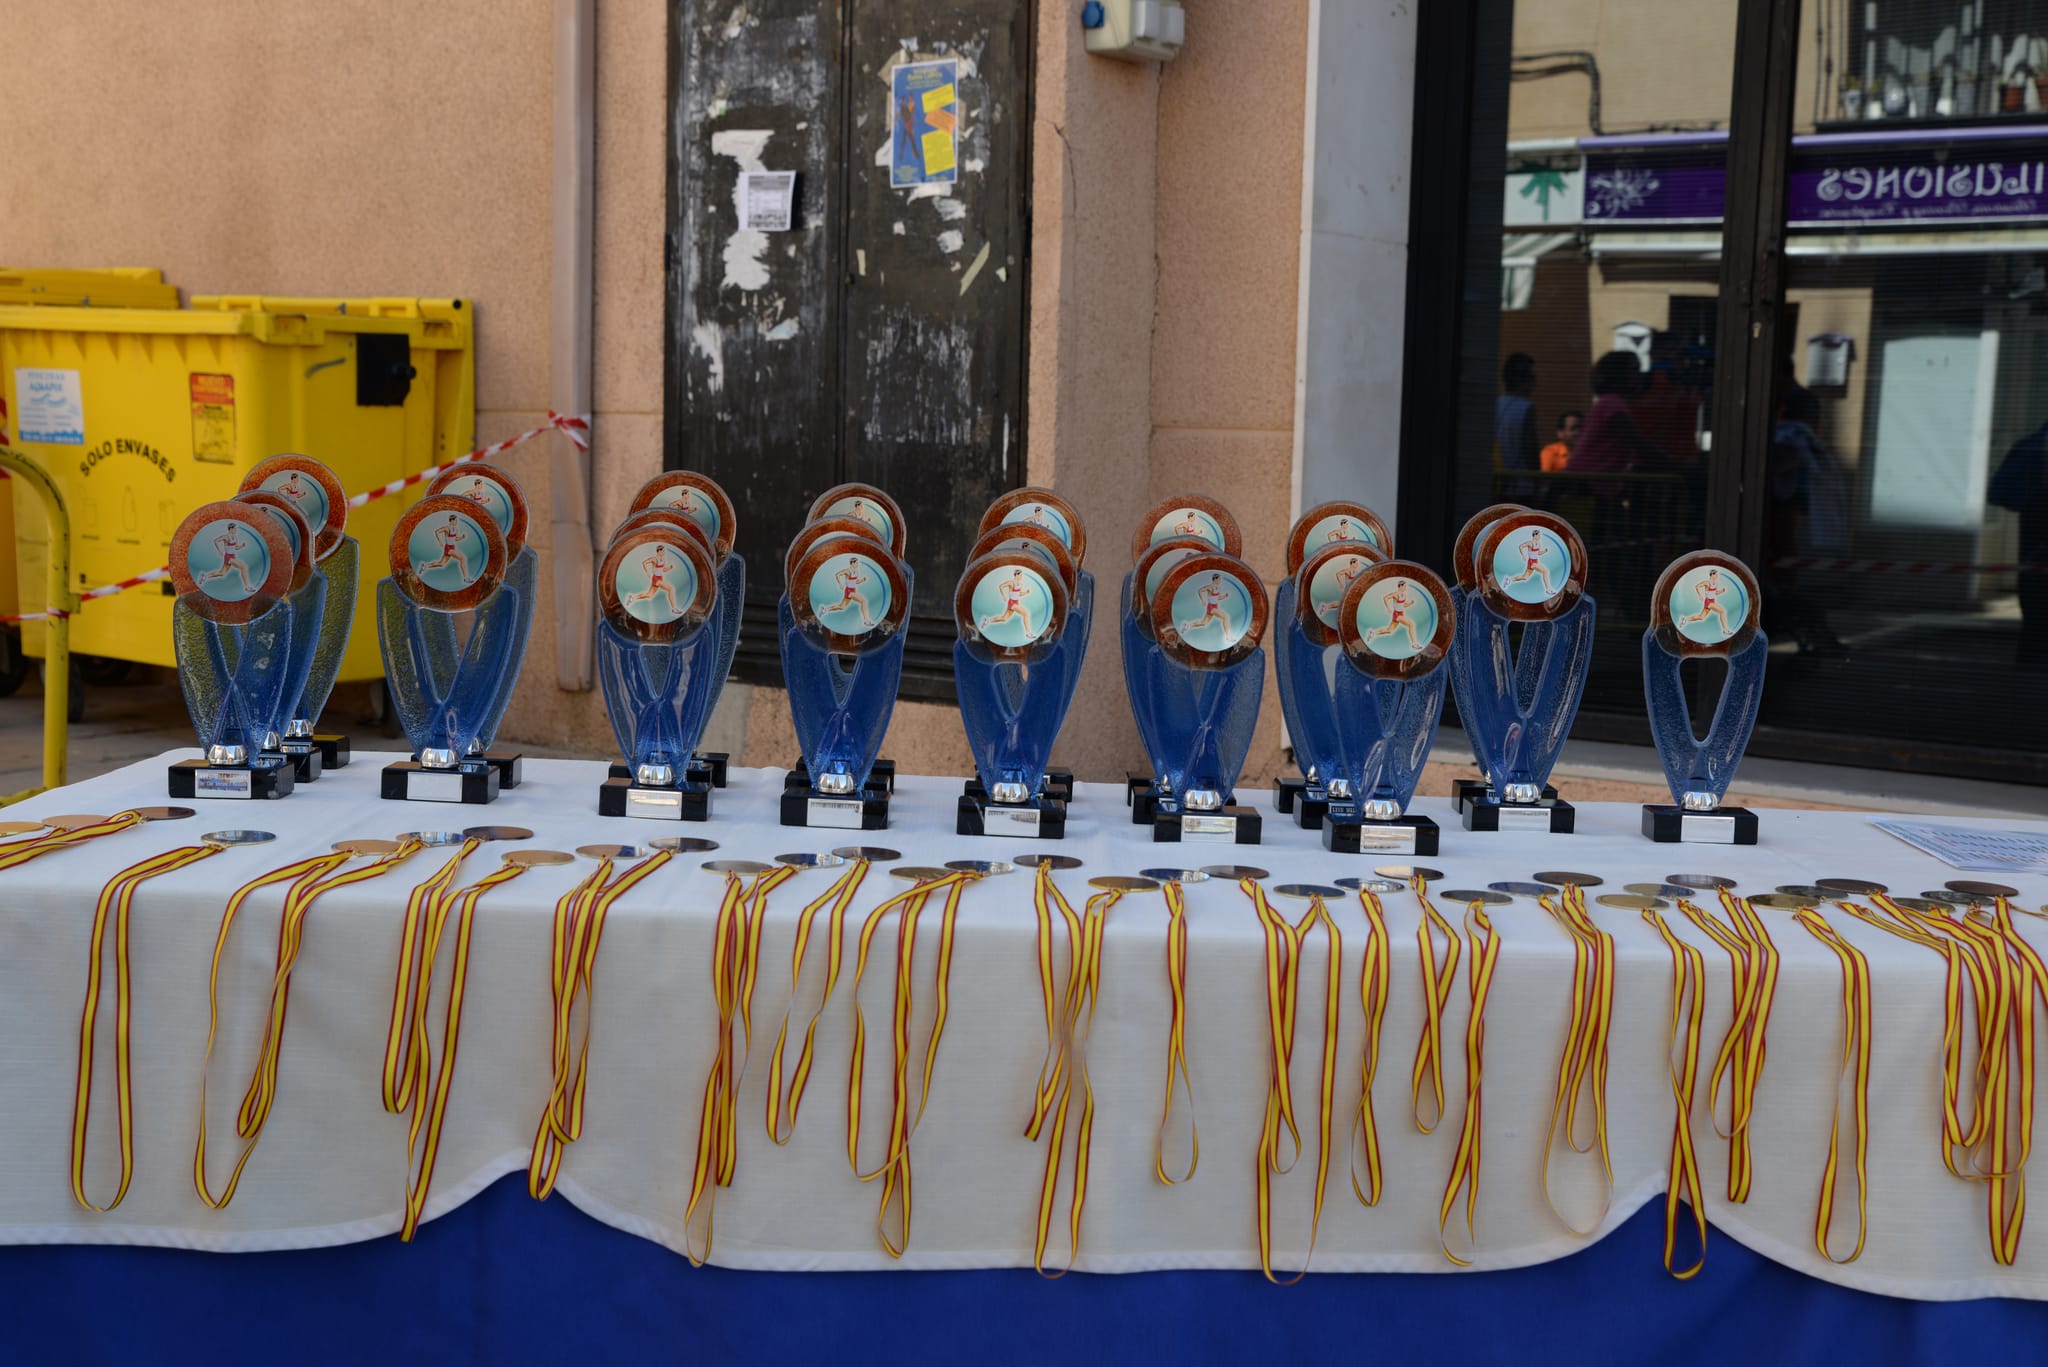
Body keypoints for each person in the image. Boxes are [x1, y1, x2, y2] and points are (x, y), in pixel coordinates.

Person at [1992, 421, 2048, 665]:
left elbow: (2000, 492)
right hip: (2037, 533)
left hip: (2033, 534)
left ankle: (2031, 657)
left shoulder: (2028, 446)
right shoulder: (2032, 447)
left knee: (2034, 596)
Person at [1495, 353, 1540, 472]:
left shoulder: (1495, 405)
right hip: (1520, 477)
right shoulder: (1526, 408)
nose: (1535, 383)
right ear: (1524, 380)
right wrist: (1537, 477)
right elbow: (1531, 449)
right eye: (1533, 377)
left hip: (1498, 476)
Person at [1363, 578, 1424, 652]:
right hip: (1397, 614)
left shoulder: (1405, 594)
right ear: (1400, 586)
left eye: (1406, 586)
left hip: (1401, 614)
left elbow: (1404, 605)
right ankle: (1414, 644)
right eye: (1404, 586)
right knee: (1411, 624)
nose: (1405, 588)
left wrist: (1410, 603)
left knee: (1389, 630)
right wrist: (1388, 607)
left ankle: (1373, 632)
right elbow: (1385, 598)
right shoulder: (1395, 594)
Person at [196, 522, 256, 592]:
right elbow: (216, 541)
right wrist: (220, 551)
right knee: (243, 567)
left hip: (233, 556)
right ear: (231, 529)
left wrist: (242, 546)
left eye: (236, 529)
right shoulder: (226, 537)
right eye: (235, 529)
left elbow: (236, 547)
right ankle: (248, 587)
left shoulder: (235, 537)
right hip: (228, 557)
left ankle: (206, 576)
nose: (236, 530)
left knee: (222, 573)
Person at [978, 567, 1037, 637]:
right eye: (1020, 575)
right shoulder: (1011, 582)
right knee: (1026, 613)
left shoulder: (1020, 584)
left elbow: (1019, 594)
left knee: (1004, 618)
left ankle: (988, 620)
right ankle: (1028, 633)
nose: (1021, 577)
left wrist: (1026, 592)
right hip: (1012, 603)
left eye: (1022, 575)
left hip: (1016, 603)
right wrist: (1003, 596)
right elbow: (1001, 586)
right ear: (1016, 575)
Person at [623, 545, 680, 616]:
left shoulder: (663, 559)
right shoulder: (654, 559)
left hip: (660, 578)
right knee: (671, 589)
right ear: (659, 551)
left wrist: (670, 567)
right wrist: (647, 572)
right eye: (663, 551)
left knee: (649, 595)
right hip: (656, 578)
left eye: (664, 551)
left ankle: (633, 597)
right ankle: (674, 609)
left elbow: (664, 570)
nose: (664, 552)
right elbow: (644, 562)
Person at [823, 556, 877, 629]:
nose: (857, 564)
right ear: (852, 563)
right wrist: (840, 583)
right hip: (849, 591)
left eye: (858, 563)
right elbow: (837, 574)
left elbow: (856, 581)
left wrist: (862, 580)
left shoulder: (857, 571)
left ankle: (825, 609)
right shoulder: (847, 571)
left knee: (842, 607)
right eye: (856, 563)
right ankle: (866, 620)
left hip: (853, 590)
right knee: (864, 601)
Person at [1677, 566, 1730, 637]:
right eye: (1716, 575)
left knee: (1701, 617)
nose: (1717, 576)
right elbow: (1697, 586)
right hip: (1709, 602)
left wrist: (1722, 591)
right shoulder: (1707, 583)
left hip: (1712, 601)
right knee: (1722, 611)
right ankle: (1725, 630)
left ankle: (1685, 619)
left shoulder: (1716, 583)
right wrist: (1700, 595)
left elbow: (1715, 593)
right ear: (1712, 575)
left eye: (1717, 575)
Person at [1179, 572, 1236, 639]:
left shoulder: (1218, 587)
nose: (1220, 581)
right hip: (1211, 607)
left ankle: (1188, 625)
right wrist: (1202, 600)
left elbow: (1219, 597)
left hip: (1215, 606)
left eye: (1220, 579)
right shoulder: (1209, 587)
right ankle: (1228, 636)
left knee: (1204, 623)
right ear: (1215, 579)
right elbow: (1200, 590)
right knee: (1226, 617)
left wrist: (1225, 596)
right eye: (1219, 579)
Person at [423, 513, 472, 579]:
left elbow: (456, 539)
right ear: (452, 521)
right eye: (456, 520)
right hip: (448, 548)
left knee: (441, 564)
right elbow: (437, 531)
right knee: (463, 558)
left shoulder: (456, 529)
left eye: (457, 521)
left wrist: (462, 537)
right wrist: (440, 541)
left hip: (452, 548)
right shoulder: (446, 528)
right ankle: (466, 578)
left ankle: (425, 565)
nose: (457, 522)